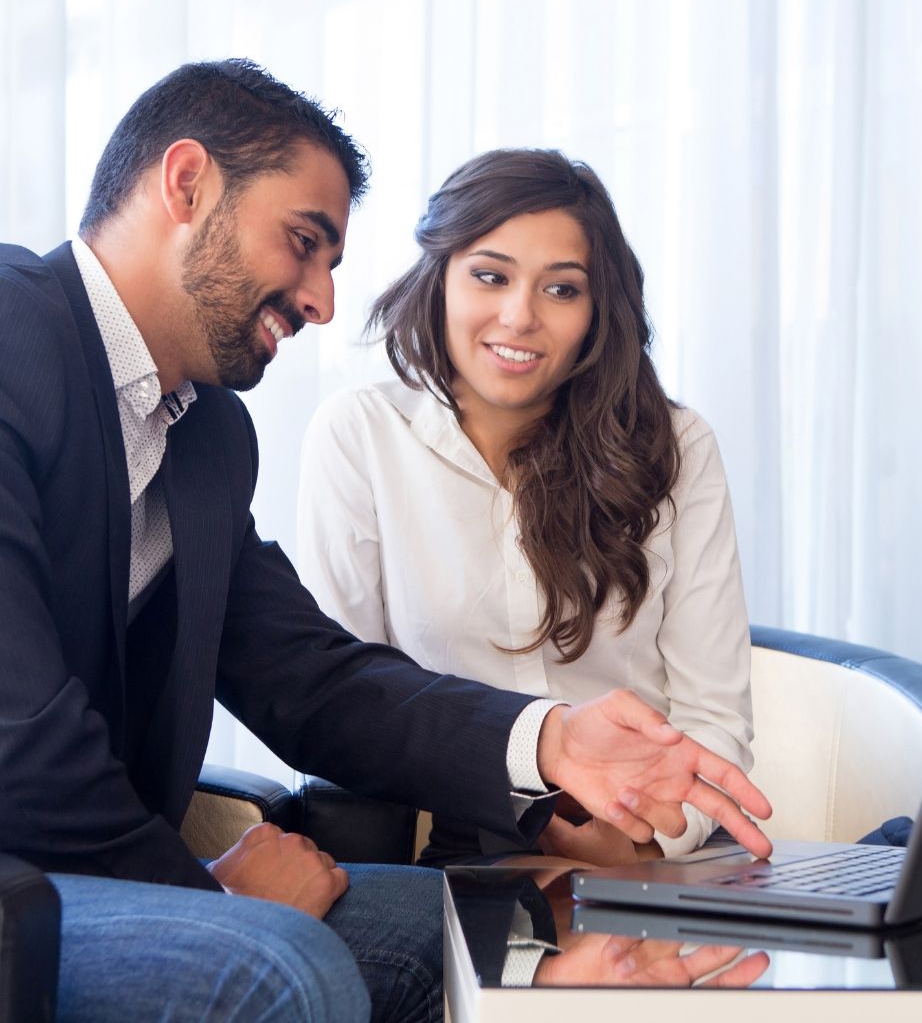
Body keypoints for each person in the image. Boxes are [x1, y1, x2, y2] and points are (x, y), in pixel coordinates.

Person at [0, 60, 772, 1022]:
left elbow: (311, 678)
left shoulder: (201, 436)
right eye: (305, 242)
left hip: (104, 878)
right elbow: (16, 733)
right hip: (22, 893)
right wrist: (209, 898)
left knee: (488, 929)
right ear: (187, 183)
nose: (322, 299)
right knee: (283, 966)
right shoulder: (11, 333)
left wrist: (550, 742)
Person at [297, 149, 755, 868]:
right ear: (440, 277)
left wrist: (647, 835)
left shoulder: (678, 446)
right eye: (490, 276)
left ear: (599, 309)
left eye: (562, 290)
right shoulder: (359, 435)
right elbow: (339, 703)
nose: (520, 317)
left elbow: (713, 712)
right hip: (457, 839)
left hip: (647, 834)